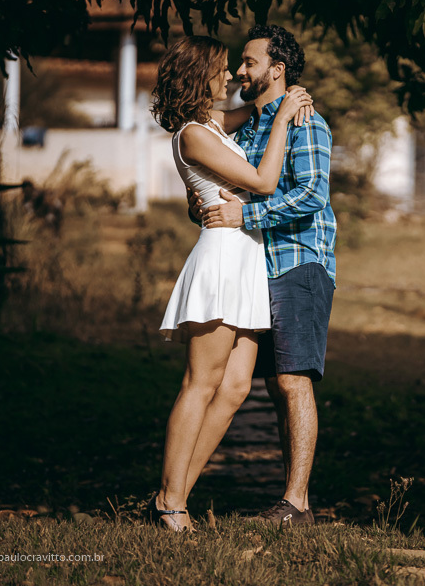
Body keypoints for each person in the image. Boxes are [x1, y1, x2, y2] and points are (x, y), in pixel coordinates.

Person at [148, 35, 314, 532]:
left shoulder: (213, 125)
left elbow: (260, 108)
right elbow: (262, 182)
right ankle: (170, 502)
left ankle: (174, 494)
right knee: (200, 383)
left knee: (237, 386)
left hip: (246, 259)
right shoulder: (192, 135)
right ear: (199, 74)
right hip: (222, 258)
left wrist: (291, 96)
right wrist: (283, 120)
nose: (230, 75)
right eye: (222, 68)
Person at [191, 24, 336, 528]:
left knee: (293, 380)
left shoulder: (307, 122)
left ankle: (294, 504)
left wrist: (244, 216)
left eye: (249, 62)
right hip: (254, 266)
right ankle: (294, 502)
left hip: (299, 261)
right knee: (272, 385)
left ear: (277, 69)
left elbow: (312, 194)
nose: (238, 71)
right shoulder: (249, 126)